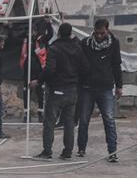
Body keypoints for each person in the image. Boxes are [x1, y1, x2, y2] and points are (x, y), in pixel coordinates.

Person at [31, 22, 89, 160]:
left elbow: (50, 69)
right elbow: (85, 67)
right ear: (70, 33)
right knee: (69, 123)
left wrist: (39, 81)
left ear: (59, 33)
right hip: (72, 90)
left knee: (49, 122)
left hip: (57, 89)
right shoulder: (78, 48)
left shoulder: (54, 48)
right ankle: (67, 152)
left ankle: (47, 152)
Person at [77, 18, 123, 162]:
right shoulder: (85, 43)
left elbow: (116, 65)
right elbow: (79, 65)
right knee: (84, 120)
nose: (99, 36)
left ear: (107, 30)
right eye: (97, 33)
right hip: (87, 87)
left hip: (106, 88)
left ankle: (112, 152)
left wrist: (119, 86)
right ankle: (81, 149)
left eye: (102, 33)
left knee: (109, 120)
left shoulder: (114, 43)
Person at [21, 21, 51, 123]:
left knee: (40, 92)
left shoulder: (40, 39)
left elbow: (50, 35)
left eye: (33, 31)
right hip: (27, 71)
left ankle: (40, 113)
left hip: (39, 71)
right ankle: (26, 114)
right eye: (30, 31)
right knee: (26, 93)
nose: (32, 33)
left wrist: (48, 23)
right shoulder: (25, 40)